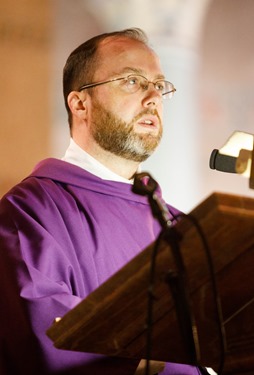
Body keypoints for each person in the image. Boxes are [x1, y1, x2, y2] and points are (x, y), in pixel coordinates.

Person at [0, 28, 212, 375]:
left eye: (159, 85)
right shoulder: (31, 211)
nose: (153, 98)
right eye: (132, 81)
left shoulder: (180, 227)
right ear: (80, 103)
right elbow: (47, 340)